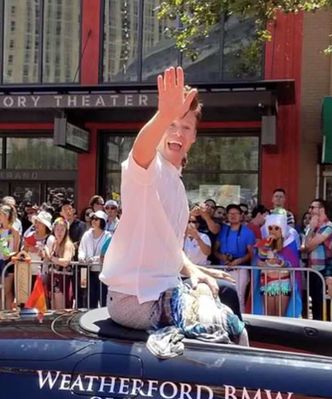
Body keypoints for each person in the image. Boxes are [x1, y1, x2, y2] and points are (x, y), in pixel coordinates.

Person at [100, 66, 247, 345]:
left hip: (162, 290)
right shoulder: (148, 169)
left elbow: (166, 247)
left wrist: (192, 268)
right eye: (171, 125)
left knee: (226, 293)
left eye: (185, 127)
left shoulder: (176, 183)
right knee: (227, 331)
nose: (177, 133)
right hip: (137, 301)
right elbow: (140, 152)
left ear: (193, 137)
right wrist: (164, 114)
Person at [252, 214, 302, 317]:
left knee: (281, 316)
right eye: (270, 228)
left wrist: (281, 263)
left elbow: (293, 263)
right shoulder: (265, 243)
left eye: (276, 228)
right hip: (267, 283)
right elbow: (258, 259)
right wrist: (265, 246)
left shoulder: (289, 244)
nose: (273, 230)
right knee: (268, 316)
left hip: (283, 283)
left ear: (282, 229)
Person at [214, 204, 256, 312]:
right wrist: (222, 257)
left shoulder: (248, 232)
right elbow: (214, 250)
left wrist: (239, 260)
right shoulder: (222, 230)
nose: (233, 216)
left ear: (241, 215)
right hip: (223, 268)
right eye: (230, 214)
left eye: (236, 213)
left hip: (240, 269)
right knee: (221, 297)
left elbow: (251, 253)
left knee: (239, 297)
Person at [303, 199, 332, 320]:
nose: (310, 210)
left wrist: (309, 241)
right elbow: (305, 246)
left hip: (326, 270)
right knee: (315, 302)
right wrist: (311, 229)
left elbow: (309, 245)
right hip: (313, 269)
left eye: (312, 207)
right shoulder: (312, 227)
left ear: (321, 209)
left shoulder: (329, 226)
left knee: (324, 303)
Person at [78, 210, 111, 307]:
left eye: (97, 219)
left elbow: (107, 254)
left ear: (102, 221)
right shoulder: (87, 235)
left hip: (102, 272)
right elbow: (82, 249)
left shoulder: (108, 236)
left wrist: (94, 259)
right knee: (90, 299)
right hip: (89, 272)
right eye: (93, 218)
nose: (94, 221)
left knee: (103, 298)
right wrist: (82, 257)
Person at [44, 217, 75, 309]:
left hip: (63, 279)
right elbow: (48, 258)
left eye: (62, 229)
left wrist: (51, 257)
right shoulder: (54, 243)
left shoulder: (68, 244)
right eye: (57, 229)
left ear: (66, 230)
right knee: (53, 306)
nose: (59, 232)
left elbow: (65, 261)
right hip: (53, 277)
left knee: (60, 308)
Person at [0, 204, 20, 309]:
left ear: (6, 216)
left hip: (8, 263)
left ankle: (7, 314)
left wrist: (9, 255)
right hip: (0, 261)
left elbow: (16, 250)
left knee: (6, 291)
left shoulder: (14, 231)